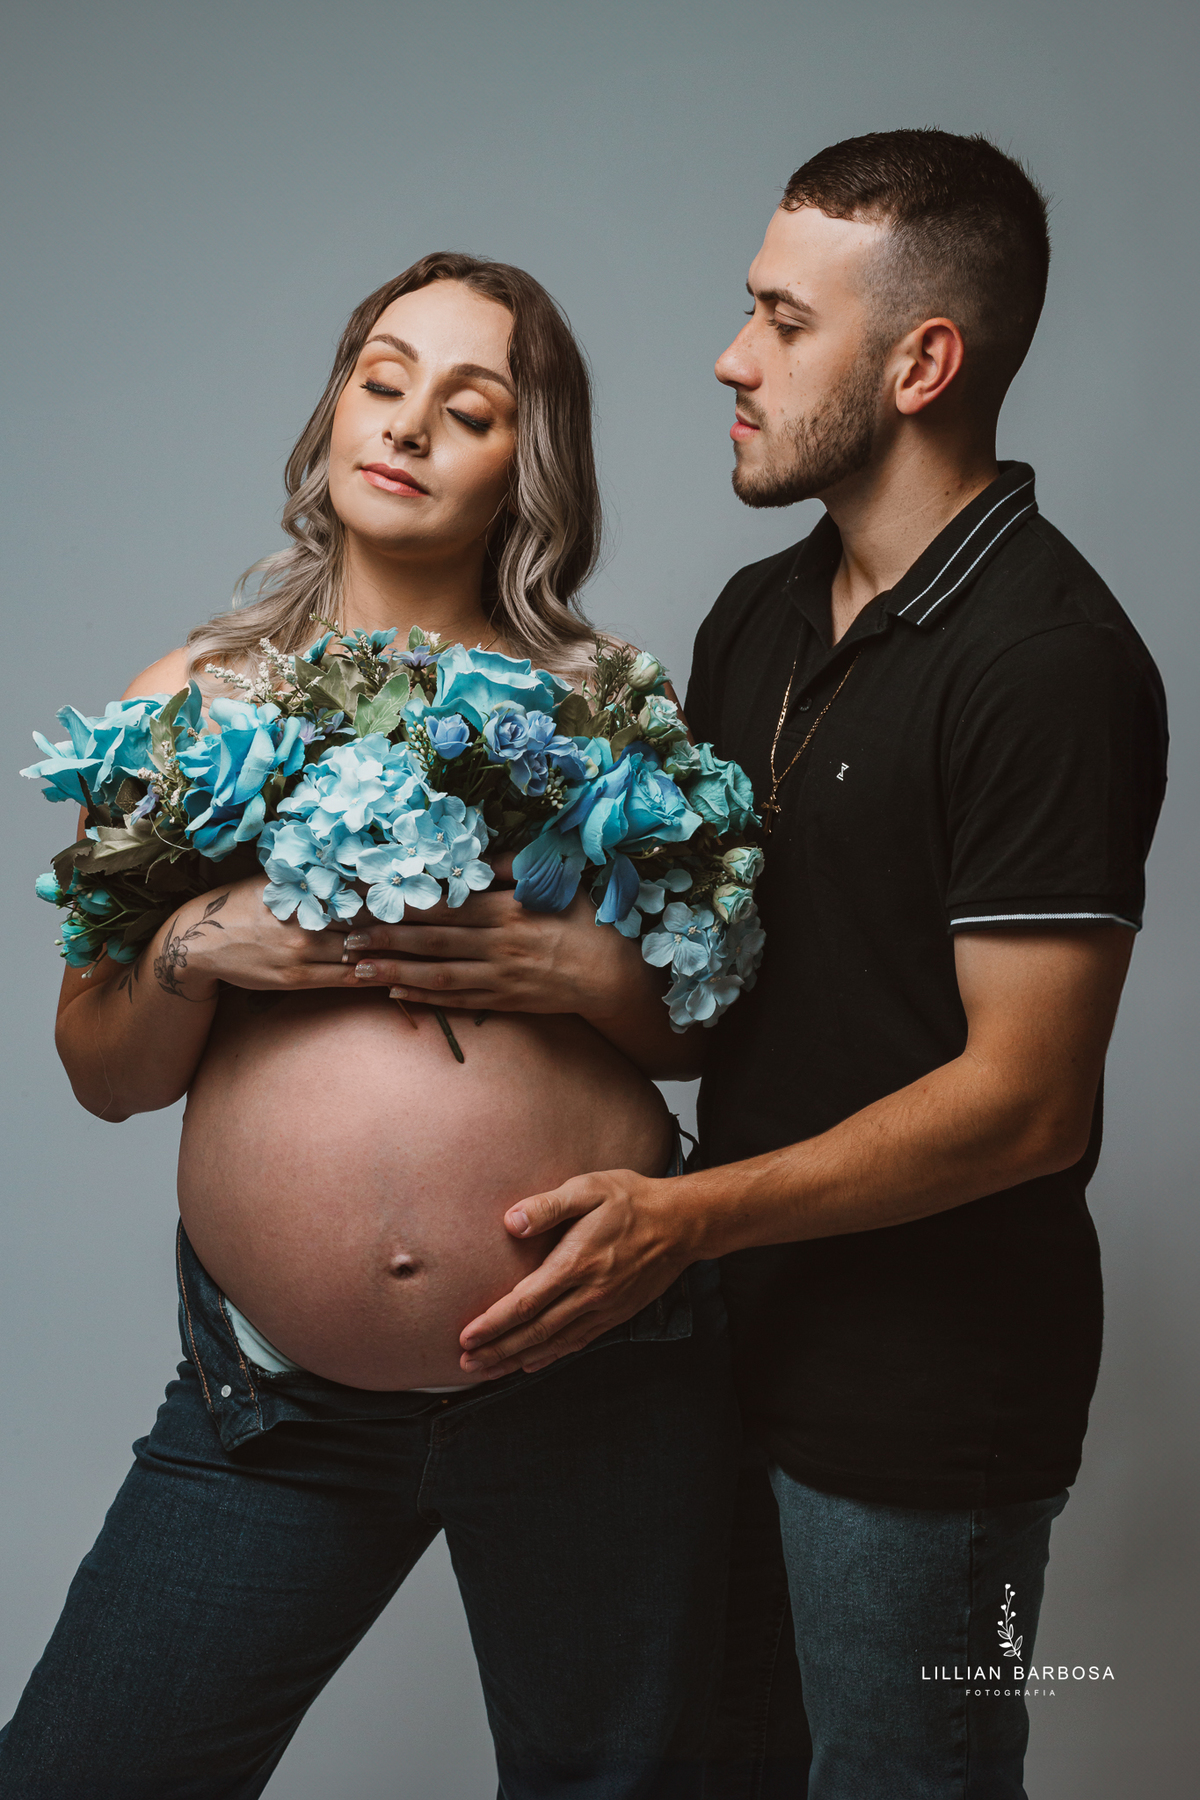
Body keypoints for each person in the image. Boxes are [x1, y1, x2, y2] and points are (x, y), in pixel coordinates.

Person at [452, 133, 1169, 1797]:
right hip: (724, 1348)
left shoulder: (1050, 665)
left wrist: (682, 1219)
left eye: (783, 320)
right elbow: (728, 996)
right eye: (746, 309)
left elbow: (1028, 1106)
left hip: (934, 1406)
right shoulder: (757, 618)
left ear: (924, 363)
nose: (730, 354)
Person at [0, 253, 739, 1799]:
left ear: (524, 472)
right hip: (276, 1398)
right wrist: (205, 944)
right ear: (335, 409)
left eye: (467, 410)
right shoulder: (188, 705)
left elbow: (704, 1030)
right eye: (380, 380)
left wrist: (573, 969)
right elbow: (101, 1074)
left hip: (593, 1371)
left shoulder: (608, 708)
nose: (404, 427)